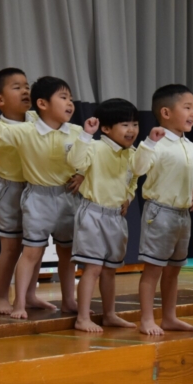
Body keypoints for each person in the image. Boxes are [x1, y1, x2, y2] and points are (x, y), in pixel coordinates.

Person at [0, 76, 83, 319]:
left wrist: (81, 175)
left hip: (66, 196)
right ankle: (11, 300)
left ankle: (66, 299)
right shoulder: (24, 130)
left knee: (66, 252)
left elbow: (88, 158)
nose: (69, 102)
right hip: (32, 194)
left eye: (70, 98)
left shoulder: (75, 131)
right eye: (63, 97)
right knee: (22, 249)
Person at [0, 68, 57, 314]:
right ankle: (2, 298)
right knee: (11, 248)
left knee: (36, 245)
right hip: (11, 191)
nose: (26, 90)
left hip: (38, 189)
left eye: (27, 85)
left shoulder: (39, 121)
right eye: (17, 87)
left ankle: (30, 295)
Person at [132, 84, 193, 335]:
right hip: (159, 213)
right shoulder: (156, 142)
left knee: (174, 269)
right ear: (165, 112)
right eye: (187, 107)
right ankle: (146, 319)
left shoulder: (190, 146)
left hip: (183, 215)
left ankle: (170, 317)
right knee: (153, 269)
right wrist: (148, 144)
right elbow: (137, 168)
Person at [67, 98, 141, 332]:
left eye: (135, 124)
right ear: (106, 128)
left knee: (110, 269)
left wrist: (128, 198)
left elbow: (134, 180)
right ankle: (82, 318)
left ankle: (109, 314)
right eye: (125, 124)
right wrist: (86, 135)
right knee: (93, 268)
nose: (132, 130)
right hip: (93, 214)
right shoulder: (95, 147)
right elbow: (75, 161)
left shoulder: (134, 153)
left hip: (116, 217)